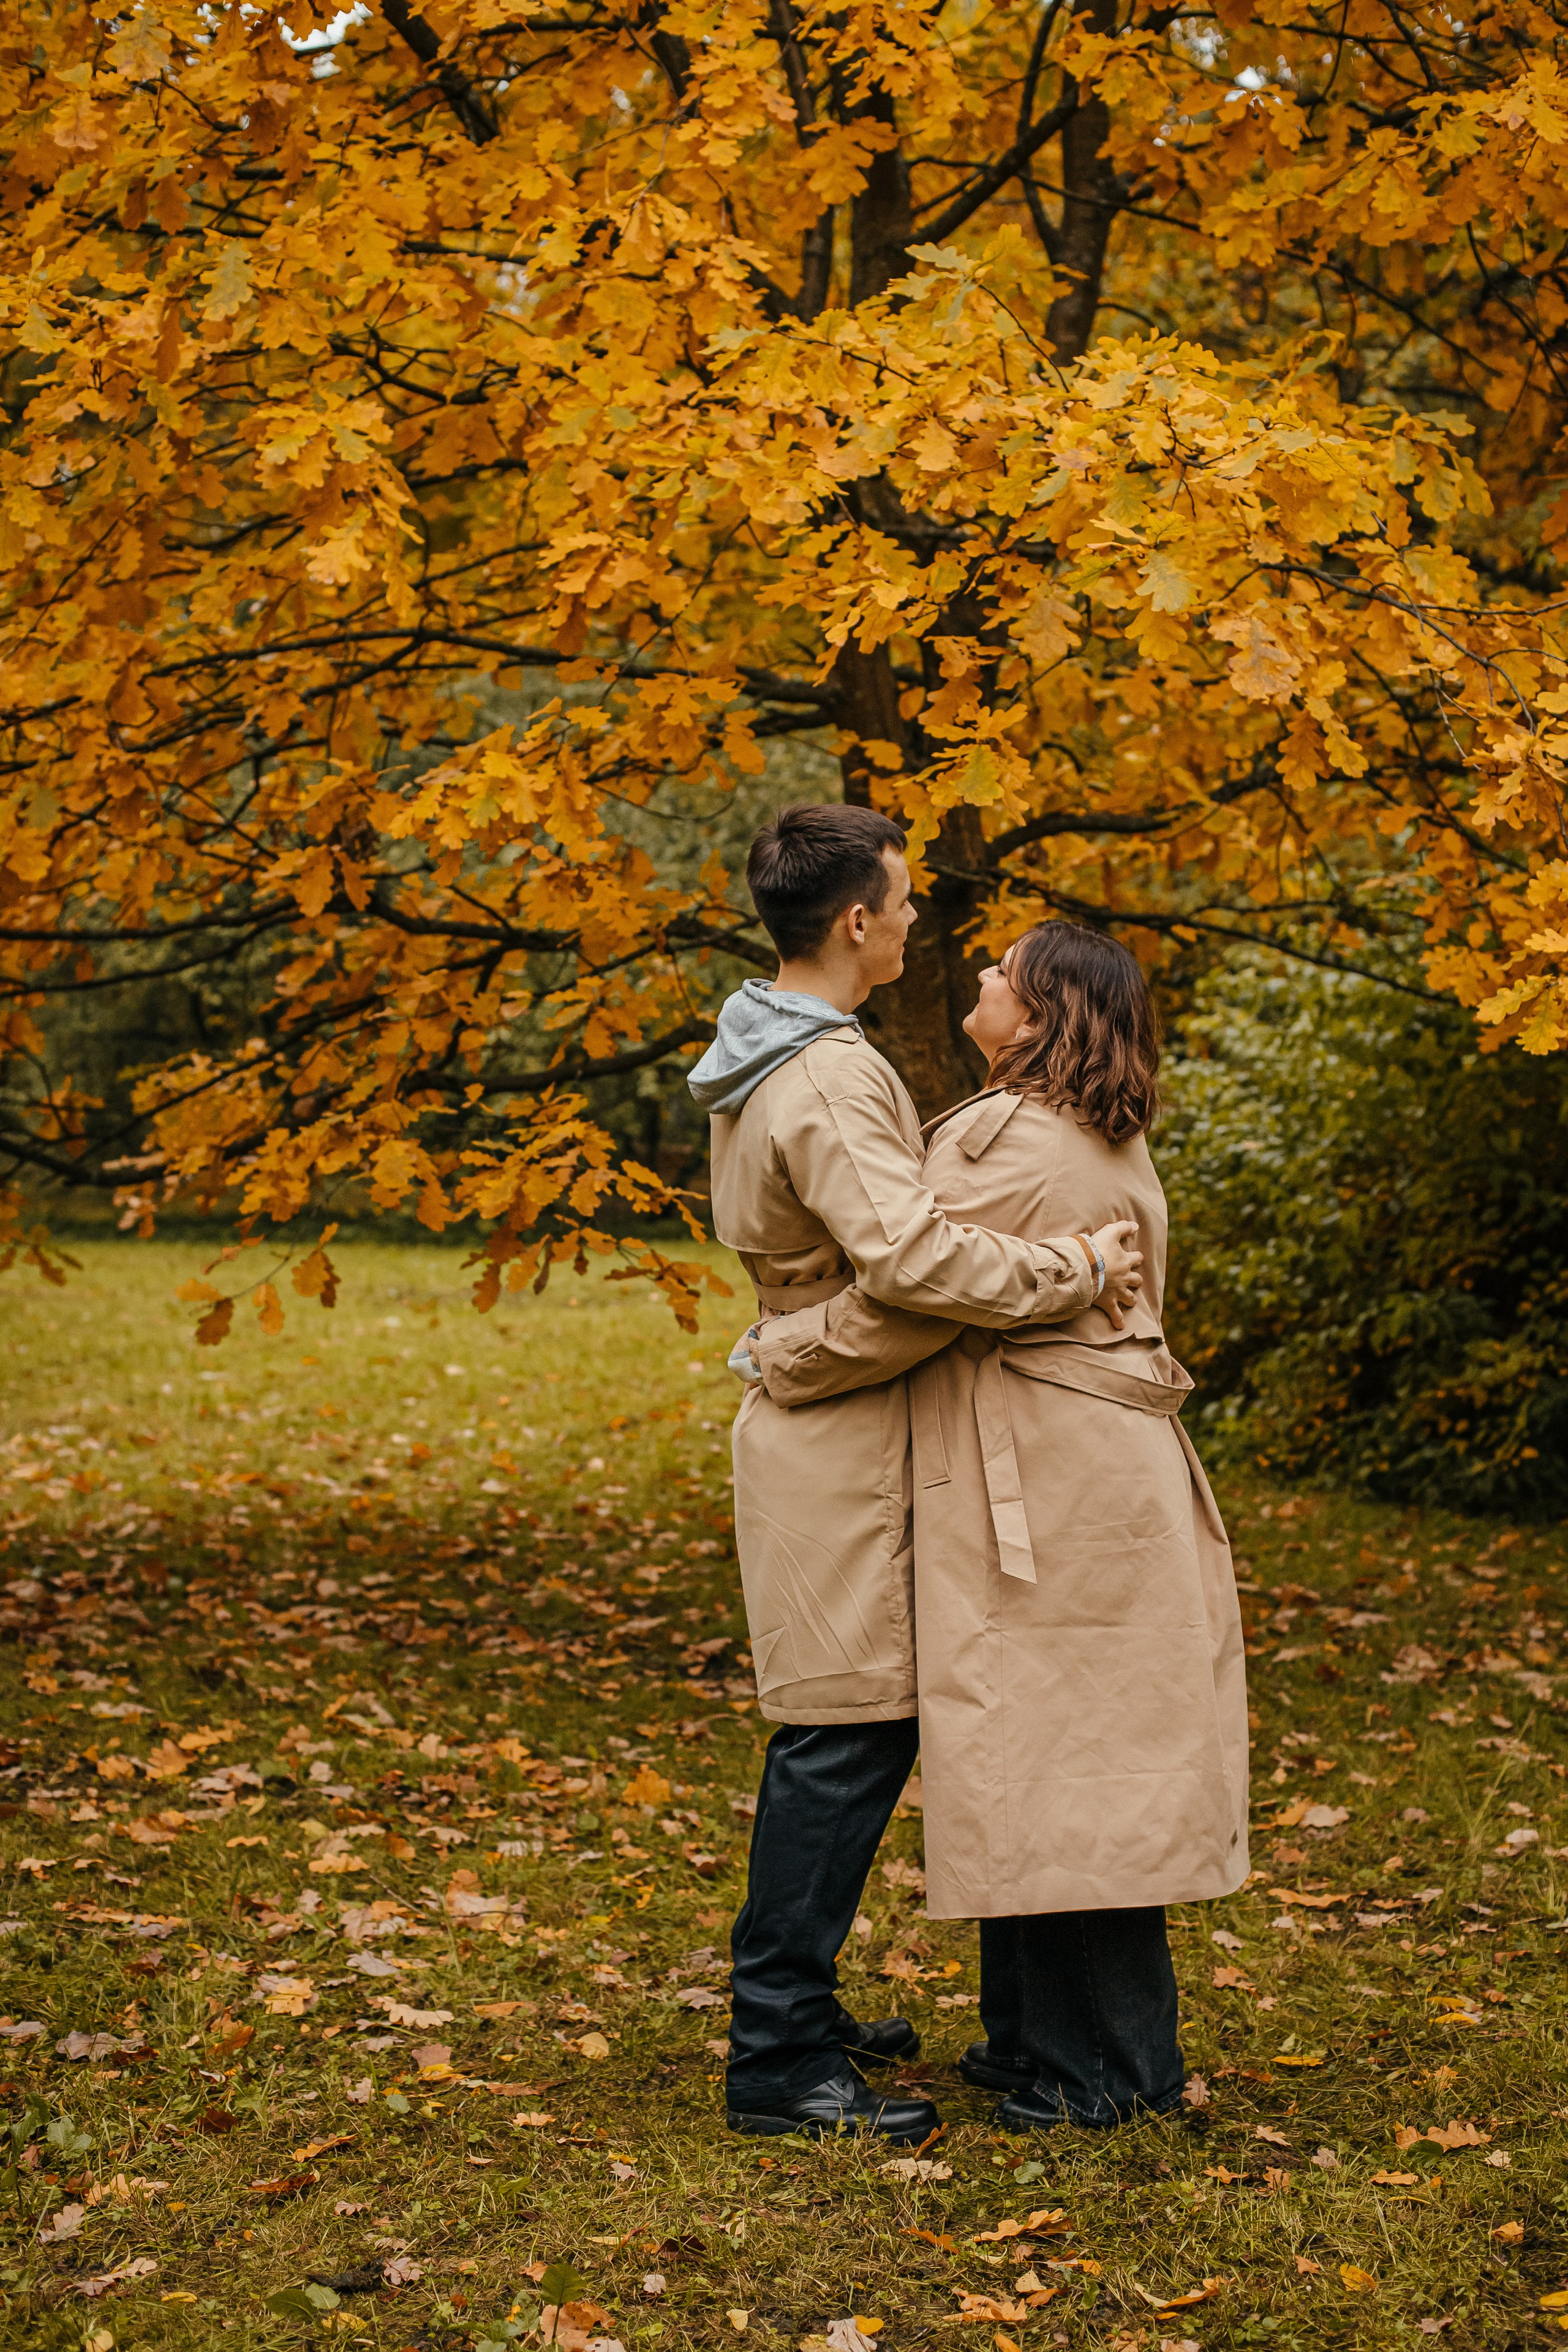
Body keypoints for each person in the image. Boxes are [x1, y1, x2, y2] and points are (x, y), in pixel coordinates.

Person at [688, 808, 1143, 2143]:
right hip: (837, 1441)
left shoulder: (783, 1047)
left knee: (845, 1735)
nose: (911, 921)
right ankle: (777, 2058)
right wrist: (1072, 1273)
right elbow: (917, 1266)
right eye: (898, 901)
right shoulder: (830, 1075)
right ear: (854, 922)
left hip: (838, 1421)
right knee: (841, 1743)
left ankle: (798, 2022)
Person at [755, 922, 1250, 2131]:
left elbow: (907, 1299)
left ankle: (1092, 2074)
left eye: (998, 972)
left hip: (1052, 1478)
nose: (976, 977)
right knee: (1070, 1763)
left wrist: (781, 1352)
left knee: (1062, 1773)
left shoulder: (1009, 1139)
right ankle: (1038, 2041)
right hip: (1097, 1481)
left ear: (1036, 1014)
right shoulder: (1096, 1133)